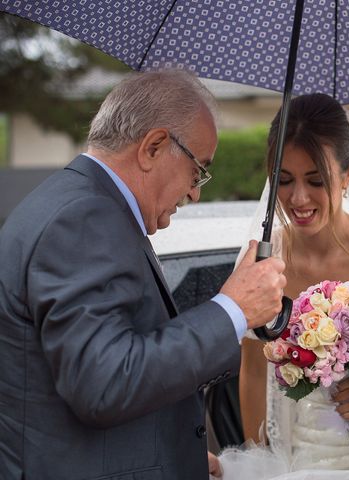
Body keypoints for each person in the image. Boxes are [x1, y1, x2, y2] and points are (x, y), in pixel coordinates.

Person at [0, 70, 286, 480]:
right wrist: (232, 310)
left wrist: (174, 454)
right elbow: (105, 383)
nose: (195, 192)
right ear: (153, 147)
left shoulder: (72, 203)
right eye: (198, 170)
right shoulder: (85, 218)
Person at [219, 93, 349, 478]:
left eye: (316, 180)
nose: (298, 198)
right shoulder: (261, 260)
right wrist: (260, 461)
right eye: (284, 180)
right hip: (308, 461)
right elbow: (252, 369)